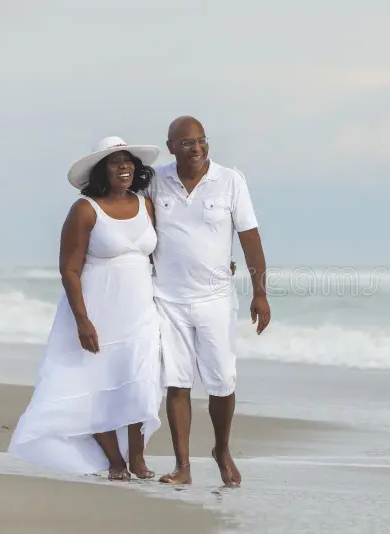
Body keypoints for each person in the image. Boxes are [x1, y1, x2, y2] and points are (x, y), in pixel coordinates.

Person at [8, 136, 164, 481]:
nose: (124, 167)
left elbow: (161, 258)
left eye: (128, 161)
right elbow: (69, 269)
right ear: (100, 171)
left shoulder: (145, 205)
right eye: (114, 162)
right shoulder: (85, 210)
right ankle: (116, 461)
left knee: (140, 381)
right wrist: (82, 320)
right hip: (98, 312)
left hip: (140, 312)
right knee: (97, 384)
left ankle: (137, 456)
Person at [142, 116, 270, 487]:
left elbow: (250, 238)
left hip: (215, 298)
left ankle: (222, 449)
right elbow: (135, 224)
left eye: (201, 141)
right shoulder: (154, 181)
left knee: (222, 381)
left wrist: (259, 292)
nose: (196, 148)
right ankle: (183, 466)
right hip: (167, 299)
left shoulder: (231, 181)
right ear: (171, 148)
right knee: (177, 382)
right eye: (187, 143)